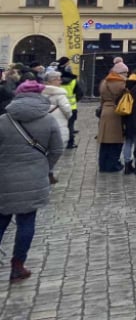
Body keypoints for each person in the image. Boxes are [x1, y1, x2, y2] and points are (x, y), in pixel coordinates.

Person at [0, 80, 64, 282]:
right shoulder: (48, 120)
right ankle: (18, 266)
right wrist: (45, 166)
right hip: (35, 178)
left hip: (4, 179)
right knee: (26, 222)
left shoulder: (3, 120)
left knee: (1, 220)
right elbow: (57, 149)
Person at [97, 60, 129, 172]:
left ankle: (103, 164)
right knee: (115, 141)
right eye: (125, 73)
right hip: (116, 112)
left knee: (105, 142)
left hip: (105, 110)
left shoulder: (104, 82)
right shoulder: (120, 83)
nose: (126, 75)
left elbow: (101, 98)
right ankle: (113, 165)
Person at [41, 71, 72, 148]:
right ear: (52, 81)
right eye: (58, 79)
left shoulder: (40, 92)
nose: (60, 81)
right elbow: (67, 109)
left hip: (43, 123)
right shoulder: (60, 94)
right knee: (57, 147)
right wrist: (68, 116)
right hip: (58, 123)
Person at [58, 61, 83, 149]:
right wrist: (75, 100)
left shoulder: (58, 80)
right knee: (70, 126)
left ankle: (58, 142)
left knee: (59, 125)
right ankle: (70, 143)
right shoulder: (74, 81)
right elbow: (80, 93)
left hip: (59, 106)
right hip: (71, 107)